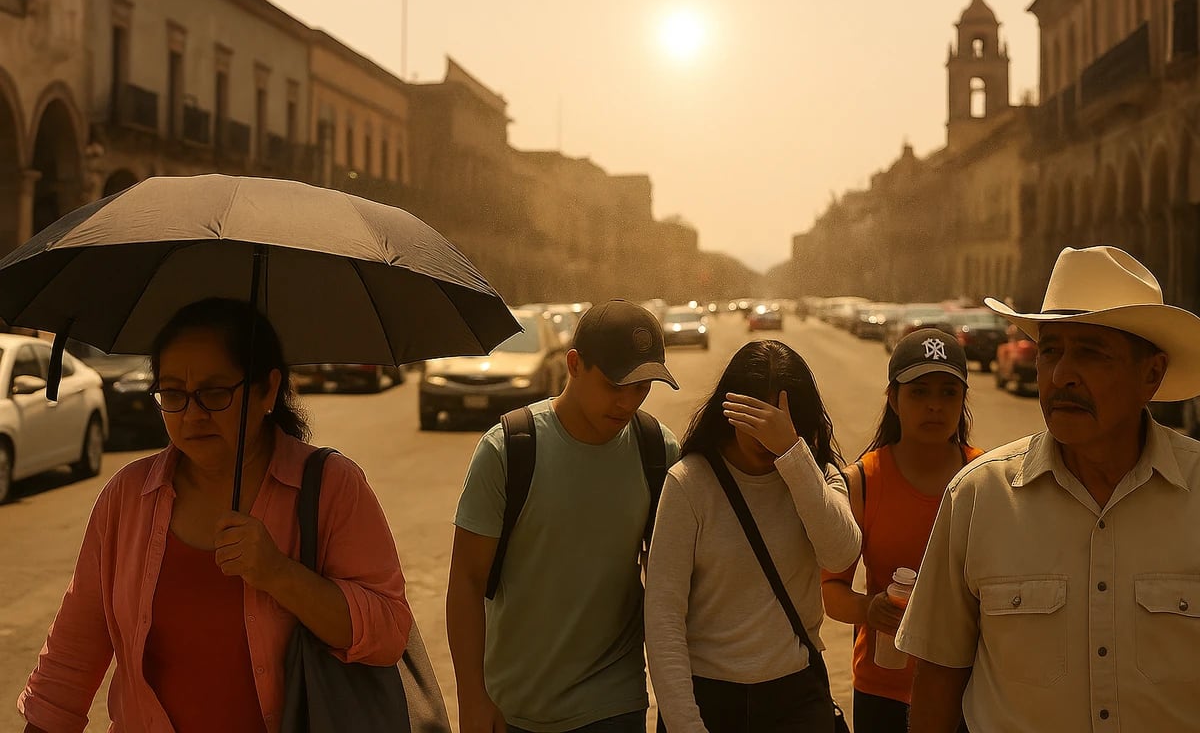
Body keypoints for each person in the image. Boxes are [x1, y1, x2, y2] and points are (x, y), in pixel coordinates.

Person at [18, 297, 412, 733]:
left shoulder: (331, 486)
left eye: (214, 394)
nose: (192, 415)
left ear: (267, 389)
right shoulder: (127, 497)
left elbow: (389, 633)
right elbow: (71, 659)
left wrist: (280, 574)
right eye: (173, 394)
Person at [897, 246, 1200, 733]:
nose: (1061, 377)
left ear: (1152, 374)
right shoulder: (979, 497)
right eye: (1050, 351)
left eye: (1091, 354)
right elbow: (938, 677)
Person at [447, 299, 681, 733]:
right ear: (574, 365)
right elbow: (466, 580)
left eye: (642, 388)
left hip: (613, 700)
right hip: (514, 706)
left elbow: (676, 580)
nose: (629, 402)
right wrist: (472, 698)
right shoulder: (508, 449)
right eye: (616, 385)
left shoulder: (656, 451)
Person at [646, 339, 861, 732]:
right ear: (730, 412)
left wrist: (793, 454)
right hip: (709, 696)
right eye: (755, 421)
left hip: (795, 695)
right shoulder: (690, 483)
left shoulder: (816, 476)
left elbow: (840, 553)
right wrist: (685, 724)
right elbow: (663, 617)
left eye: (779, 423)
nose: (766, 438)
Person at [820, 329, 983, 732]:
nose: (934, 406)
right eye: (919, 392)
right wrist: (868, 609)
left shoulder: (984, 477)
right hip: (884, 688)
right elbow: (830, 592)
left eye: (948, 392)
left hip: (968, 686)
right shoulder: (863, 481)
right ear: (893, 399)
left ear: (963, 400)